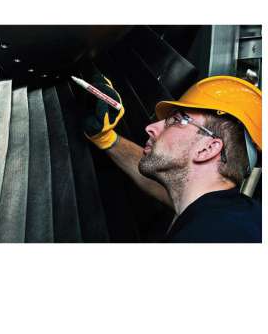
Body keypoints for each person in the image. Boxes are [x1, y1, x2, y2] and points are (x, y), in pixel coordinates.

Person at [83, 72, 262, 242]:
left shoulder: (202, 238)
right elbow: (171, 186)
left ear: (207, 148)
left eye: (176, 120)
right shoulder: (236, 217)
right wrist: (107, 139)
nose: (150, 128)